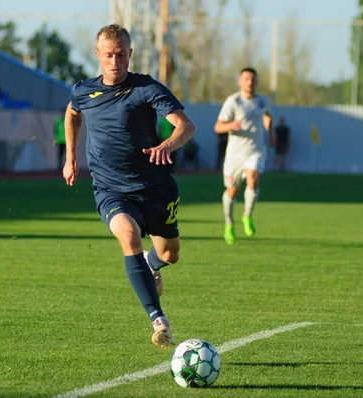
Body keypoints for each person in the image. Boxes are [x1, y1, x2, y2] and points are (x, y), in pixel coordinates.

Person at [62, 24, 195, 350]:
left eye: (120, 54)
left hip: (155, 188)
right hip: (110, 190)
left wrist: (167, 144)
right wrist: (70, 157)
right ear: (98, 55)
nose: (115, 61)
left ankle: (153, 265)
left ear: (129, 54)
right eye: (108, 55)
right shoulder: (83, 91)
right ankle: (158, 320)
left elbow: (185, 126)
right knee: (128, 235)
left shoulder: (147, 88)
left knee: (170, 254)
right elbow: (72, 113)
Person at [214, 67, 275, 245]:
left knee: (253, 177)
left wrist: (271, 132)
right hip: (235, 155)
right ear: (240, 81)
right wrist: (231, 125)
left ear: (256, 82)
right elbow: (218, 127)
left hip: (255, 150)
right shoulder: (234, 101)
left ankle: (247, 216)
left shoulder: (263, 101)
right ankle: (229, 224)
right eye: (246, 79)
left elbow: (267, 116)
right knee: (232, 191)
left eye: (253, 79)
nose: (250, 82)